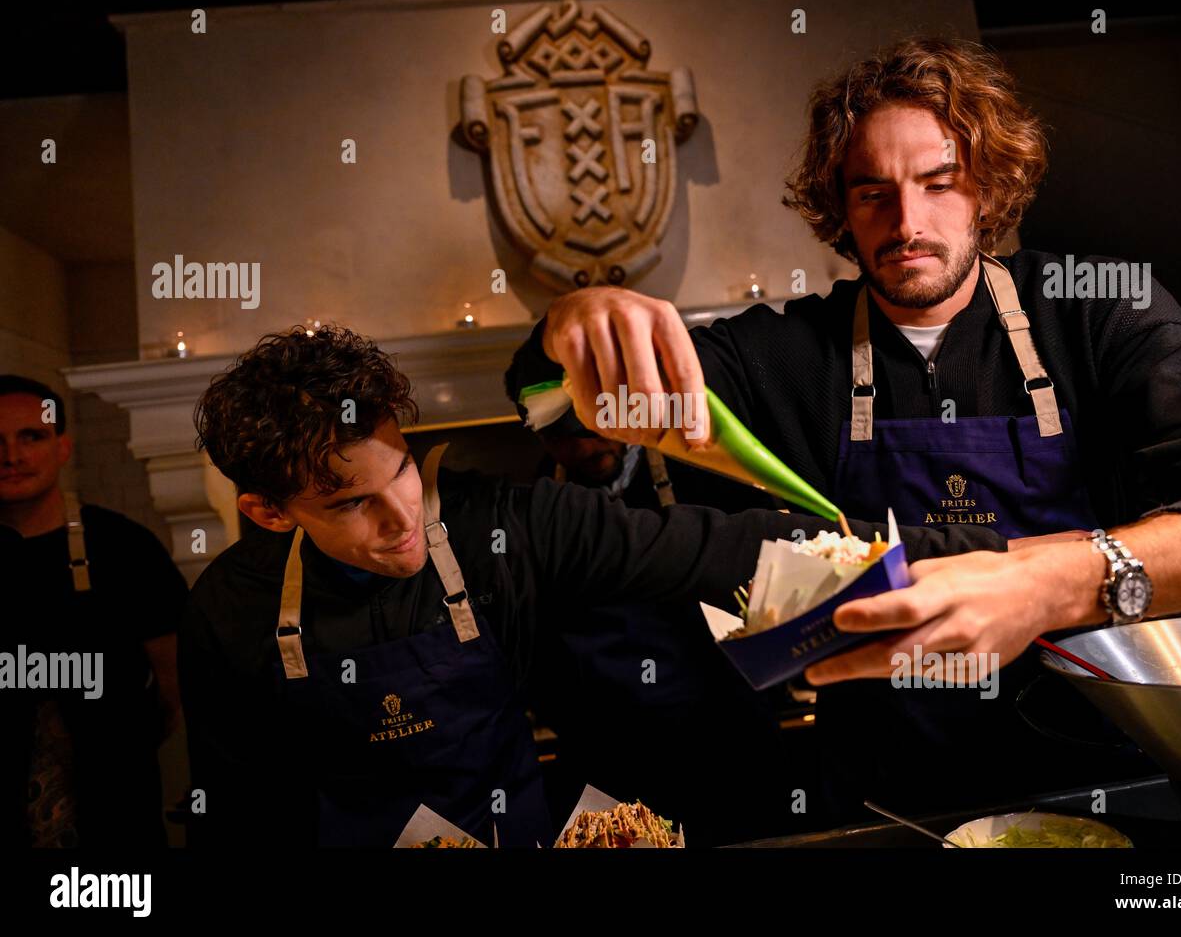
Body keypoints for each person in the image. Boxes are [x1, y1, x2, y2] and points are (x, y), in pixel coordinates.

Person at [504, 36, 1181, 819]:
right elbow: (546, 400)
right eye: (872, 191)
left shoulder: (1097, 310)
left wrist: (1056, 580)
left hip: (1113, 775)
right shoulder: (780, 353)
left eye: (940, 182)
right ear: (840, 210)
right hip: (895, 799)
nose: (907, 221)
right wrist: (565, 327)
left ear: (989, 190)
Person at [178, 325, 991, 847]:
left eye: (399, 474)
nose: (398, 518)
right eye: (349, 504)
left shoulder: (505, 524)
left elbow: (728, 548)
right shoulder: (229, 609)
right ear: (269, 511)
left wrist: (998, 557)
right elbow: (239, 816)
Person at [503, 353, 792, 846]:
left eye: (593, 427)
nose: (586, 445)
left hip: (725, 738)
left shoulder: (700, 467)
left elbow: (765, 581)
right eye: (564, 436)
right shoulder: (532, 507)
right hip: (607, 753)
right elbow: (529, 637)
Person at [0, 375, 187, 847]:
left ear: (62, 447)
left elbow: (174, 686)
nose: (12, 456)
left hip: (116, 817)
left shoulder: (124, 547)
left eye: (31, 437)